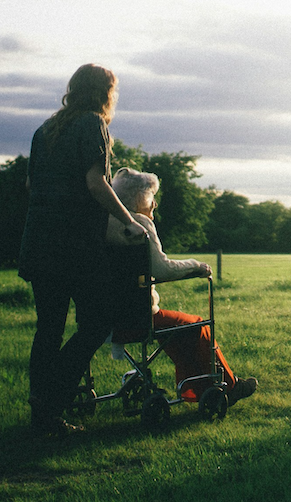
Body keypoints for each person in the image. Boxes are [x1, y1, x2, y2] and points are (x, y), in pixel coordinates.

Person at [18, 64, 148, 437]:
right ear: (105, 92)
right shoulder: (93, 125)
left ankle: (42, 414)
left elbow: (32, 184)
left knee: (49, 328)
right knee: (96, 324)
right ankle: (50, 400)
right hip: (73, 246)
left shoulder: (44, 130)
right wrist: (129, 220)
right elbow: (97, 183)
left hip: (38, 241)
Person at [105, 167, 258, 405]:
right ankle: (228, 386)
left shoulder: (105, 224)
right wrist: (196, 266)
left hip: (107, 317)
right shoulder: (139, 224)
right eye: (151, 197)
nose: (154, 204)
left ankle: (196, 390)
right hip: (138, 317)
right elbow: (162, 270)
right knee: (197, 325)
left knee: (179, 328)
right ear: (139, 198)